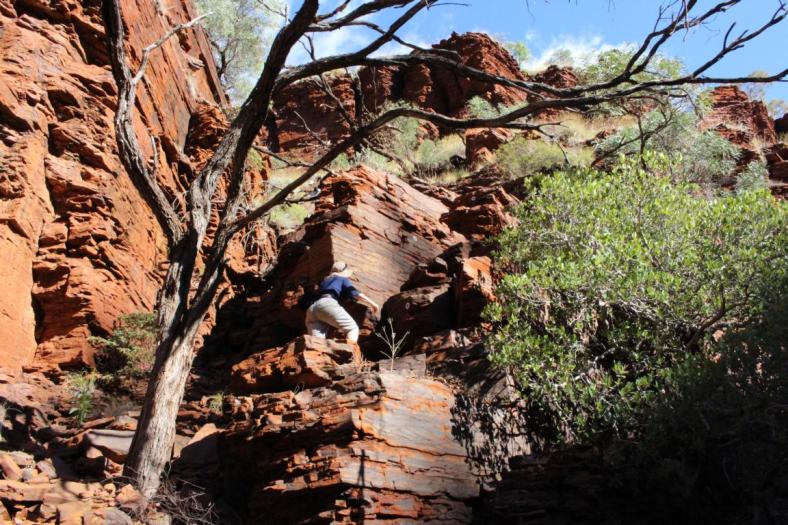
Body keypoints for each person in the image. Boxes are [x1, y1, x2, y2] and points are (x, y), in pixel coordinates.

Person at [305, 261, 380, 343]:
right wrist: (373, 303)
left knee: (317, 342)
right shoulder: (341, 278)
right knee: (352, 328)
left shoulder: (325, 281)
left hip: (312, 309)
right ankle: (349, 350)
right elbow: (355, 294)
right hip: (327, 304)